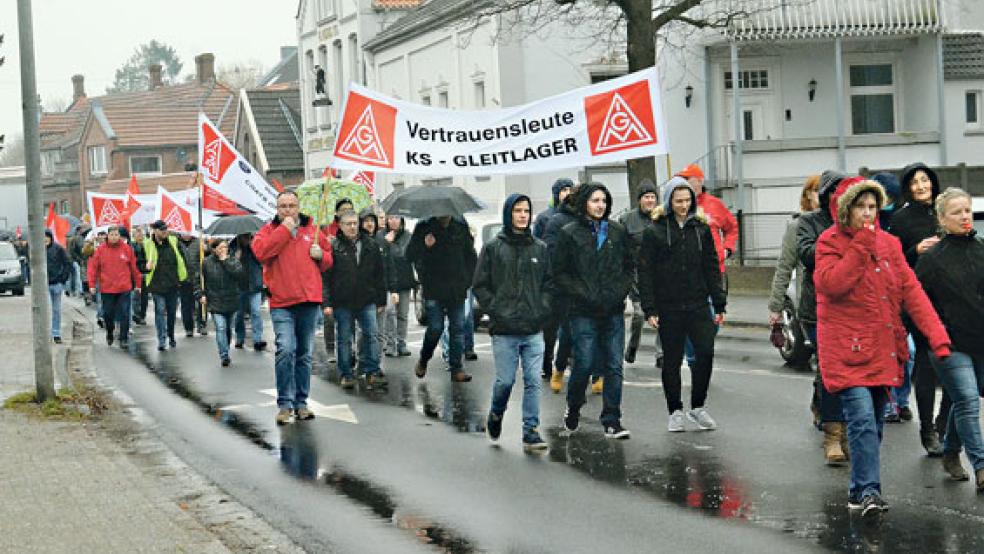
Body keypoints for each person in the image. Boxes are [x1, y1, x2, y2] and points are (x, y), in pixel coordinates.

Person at [815, 177, 950, 517]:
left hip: (882, 349)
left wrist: (937, 336)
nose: (867, 214)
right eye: (860, 207)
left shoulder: (889, 244)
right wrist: (860, 245)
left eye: (872, 207)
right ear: (847, 210)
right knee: (860, 420)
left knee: (873, 425)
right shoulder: (829, 242)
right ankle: (870, 494)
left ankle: (858, 489)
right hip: (846, 351)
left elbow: (912, 293)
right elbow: (832, 284)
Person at [639, 177, 726, 432]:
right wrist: (650, 308)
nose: (684, 206)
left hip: (698, 303)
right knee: (672, 360)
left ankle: (698, 406)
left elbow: (711, 267)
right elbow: (646, 272)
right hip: (669, 306)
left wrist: (719, 303)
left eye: (688, 201)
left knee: (706, 353)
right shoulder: (654, 231)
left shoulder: (700, 229)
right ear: (668, 201)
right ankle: (674, 410)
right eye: (678, 201)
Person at [915, 187, 984, 490]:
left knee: (965, 398)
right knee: (968, 399)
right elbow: (915, 304)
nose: (964, 217)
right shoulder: (932, 260)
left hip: (979, 340)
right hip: (947, 344)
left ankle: (950, 450)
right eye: (957, 212)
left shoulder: (982, 249)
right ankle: (981, 467)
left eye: (967, 210)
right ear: (942, 219)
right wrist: (933, 336)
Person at [553, 182, 633, 439]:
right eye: (595, 200)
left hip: (612, 309)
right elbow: (560, 272)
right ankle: (574, 406)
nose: (600, 205)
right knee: (585, 362)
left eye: (604, 201)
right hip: (582, 309)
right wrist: (581, 292)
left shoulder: (618, 232)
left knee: (613, 365)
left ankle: (612, 419)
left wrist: (618, 292)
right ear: (585, 203)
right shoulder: (569, 233)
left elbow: (628, 268)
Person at [474, 193, 551, 450]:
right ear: (509, 214)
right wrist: (496, 309)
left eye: (526, 211)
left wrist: (542, 308)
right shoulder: (493, 248)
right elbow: (480, 286)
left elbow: (549, 285)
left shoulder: (540, 248)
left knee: (533, 380)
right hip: (504, 329)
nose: (522, 215)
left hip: (532, 328)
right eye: (517, 210)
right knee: (505, 381)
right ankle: (496, 413)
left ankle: (531, 430)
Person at [252, 191, 333, 425]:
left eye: (292, 206)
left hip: (308, 300)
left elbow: (329, 260)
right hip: (282, 302)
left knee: (304, 355)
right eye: (283, 206)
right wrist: (285, 229)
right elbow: (262, 252)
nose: (288, 210)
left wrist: (321, 257)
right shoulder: (268, 231)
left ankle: (301, 402)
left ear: (299, 207)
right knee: (285, 349)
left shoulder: (313, 230)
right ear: (277, 209)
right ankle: (285, 404)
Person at [889, 163, 950, 456]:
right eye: (914, 182)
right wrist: (917, 250)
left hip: (952, 300)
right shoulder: (901, 220)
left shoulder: (944, 211)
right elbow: (894, 261)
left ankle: (942, 423)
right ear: (907, 188)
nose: (921, 186)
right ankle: (927, 429)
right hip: (919, 301)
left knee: (955, 363)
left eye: (925, 180)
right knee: (926, 365)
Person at [797, 170, 851, 466]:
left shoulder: (855, 219)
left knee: (848, 373)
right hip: (817, 309)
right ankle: (833, 434)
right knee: (830, 371)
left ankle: (847, 432)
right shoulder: (808, 222)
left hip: (852, 307)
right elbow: (806, 254)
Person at [676, 164, 738, 366]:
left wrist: (727, 249)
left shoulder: (714, 204)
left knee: (713, 317)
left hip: (713, 271)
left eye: (687, 179)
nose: (684, 183)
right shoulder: (676, 205)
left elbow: (732, 228)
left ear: (699, 181)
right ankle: (694, 357)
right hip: (686, 273)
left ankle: (701, 350)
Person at [407, 213, 478, 383]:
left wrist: (467, 280)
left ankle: (457, 368)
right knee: (435, 328)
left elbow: (471, 255)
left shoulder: (460, 225)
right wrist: (425, 246)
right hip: (434, 288)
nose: (444, 215)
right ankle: (424, 359)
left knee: (457, 328)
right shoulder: (424, 226)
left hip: (457, 288)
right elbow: (410, 255)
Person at [324, 210, 387, 389]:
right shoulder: (334, 246)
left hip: (366, 298)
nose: (352, 227)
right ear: (341, 226)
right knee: (344, 338)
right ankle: (346, 373)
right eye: (348, 224)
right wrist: (326, 302)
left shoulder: (371, 245)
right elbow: (326, 277)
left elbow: (379, 274)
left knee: (372, 334)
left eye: (354, 223)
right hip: (342, 301)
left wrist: (381, 299)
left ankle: (372, 370)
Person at [871, 172, 913, 423]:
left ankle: (902, 399)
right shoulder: (868, 221)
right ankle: (889, 402)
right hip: (876, 300)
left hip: (897, 297)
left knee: (907, 352)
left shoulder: (898, 222)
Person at [767, 175, 820, 368]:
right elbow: (784, 267)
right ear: (808, 194)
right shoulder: (797, 226)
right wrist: (775, 306)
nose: (821, 194)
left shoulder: (839, 223)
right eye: (816, 190)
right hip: (809, 305)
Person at [541, 187, 580, 390]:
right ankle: (551, 363)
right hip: (560, 286)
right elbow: (549, 252)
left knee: (579, 330)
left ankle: (579, 368)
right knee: (558, 330)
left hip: (583, 286)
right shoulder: (555, 220)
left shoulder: (588, 220)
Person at [618, 178, 659, 365]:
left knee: (663, 316)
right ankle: (633, 345)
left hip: (659, 274)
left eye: (653, 197)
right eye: (646, 197)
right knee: (640, 314)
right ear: (639, 200)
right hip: (635, 275)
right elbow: (621, 250)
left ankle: (661, 354)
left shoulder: (662, 217)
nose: (650, 201)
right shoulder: (627, 220)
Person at [86, 226, 140, 349]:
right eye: (112, 235)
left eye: (116, 235)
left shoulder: (126, 249)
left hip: (124, 287)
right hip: (107, 288)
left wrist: (138, 284)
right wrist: (92, 284)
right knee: (108, 314)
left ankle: (123, 338)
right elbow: (93, 268)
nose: (114, 237)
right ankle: (110, 331)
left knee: (125, 313)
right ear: (108, 236)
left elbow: (133, 268)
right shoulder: (100, 250)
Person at [143, 219, 189, 351]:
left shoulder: (173, 242)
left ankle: (171, 335)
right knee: (160, 311)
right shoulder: (147, 244)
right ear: (155, 231)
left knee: (171, 312)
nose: (165, 232)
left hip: (172, 284)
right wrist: (145, 267)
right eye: (162, 230)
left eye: (166, 229)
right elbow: (140, 262)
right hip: (157, 285)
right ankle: (162, 339)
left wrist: (182, 278)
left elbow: (182, 259)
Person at [198, 239, 242, 366]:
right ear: (214, 249)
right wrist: (201, 294)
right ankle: (224, 355)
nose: (223, 250)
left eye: (225, 247)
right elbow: (200, 280)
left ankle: (226, 347)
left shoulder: (233, 260)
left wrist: (226, 261)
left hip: (231, 299)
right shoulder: (206, 262)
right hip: (215, 300)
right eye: (221, 247)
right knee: (221, 328)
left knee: (228, 329)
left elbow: (239, 274)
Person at [379, 214, 414, 357]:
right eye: (390, 218)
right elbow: (380, 254)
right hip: (388, 281)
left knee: (403, 314)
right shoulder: (381, 236)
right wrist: (386, 243)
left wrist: (391, 244)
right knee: (389, 312)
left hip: (404, 279)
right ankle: (390, 343)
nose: (393, 221)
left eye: (397, 218)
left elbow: (405, 254)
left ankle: (401, 342)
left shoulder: (407, 236)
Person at [231, 233, 267, 352]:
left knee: (256, 312)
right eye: (244, 237)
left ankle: (257, 340)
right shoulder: (233, 246)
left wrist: (253, 248)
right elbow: (228, 265)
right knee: (239, 314)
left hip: (255, 285)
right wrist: (235, 258)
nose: (246, 239)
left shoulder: (255, 245)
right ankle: (240, 338)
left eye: (248, 237)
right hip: (239, 286)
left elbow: (263, 260)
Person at [44, 229, 72, 344]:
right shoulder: (37, 250)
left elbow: (67, 263)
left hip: (56, 284)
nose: (45, 239)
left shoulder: (58, 249)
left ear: (50, 237)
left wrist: (62, 278)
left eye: (46, 237)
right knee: (44, 311)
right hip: (43, 285)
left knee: (56, 310)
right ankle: (45, 333)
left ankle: (56, 333)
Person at [178, 233, 207, 337]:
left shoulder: (198, 242)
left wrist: (206, 249)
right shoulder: (177, 243)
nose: (186, 234)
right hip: (183, 279)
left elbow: (207, 257)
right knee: (186, 304)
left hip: (198, 278)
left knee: (201, 302)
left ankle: (202, 324)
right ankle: (189, 328)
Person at [130, 227, 149, 325]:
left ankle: (142, 314)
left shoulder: (146, 245)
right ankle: (137, 315)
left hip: (145, 274)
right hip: (136, 274)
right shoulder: (132, 246)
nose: (140, 237)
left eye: (141, 235)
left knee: (144, 296)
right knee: (136, 295)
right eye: (138, 235)